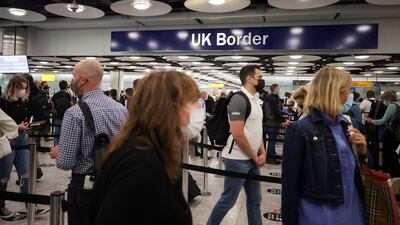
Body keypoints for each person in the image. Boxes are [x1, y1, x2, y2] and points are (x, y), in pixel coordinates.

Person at [90, 70, 199, 225]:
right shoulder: (141, 165)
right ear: (169, 108)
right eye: (191, 103)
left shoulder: (150, 150)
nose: (197, 109)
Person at [282, 67, 366, 225]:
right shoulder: (300, 129)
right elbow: (290, 185)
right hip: (318, 215)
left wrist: (363, 152)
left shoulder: (349, 126)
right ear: (338, 92)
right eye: (348, 90)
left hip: (354, 212)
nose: (349, 95)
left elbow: (360, 173)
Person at [49, 60, 127, 225]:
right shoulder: (121, 109)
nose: (72, 81)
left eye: (73, 76)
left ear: (83, 80)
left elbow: (65, 162)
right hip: (116, 181)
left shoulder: (74, 113)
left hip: (85, 186)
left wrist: (59, 152)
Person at [207, 65, 266, 225]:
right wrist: (255, 156)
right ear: (249, 78)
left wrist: (263, 152)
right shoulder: (239, 99)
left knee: (255, 200)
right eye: (259, 77)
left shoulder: (256, 101)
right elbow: (238, 134)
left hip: (252, 158)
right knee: (228, 201)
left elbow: (257, 129)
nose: (262, 80)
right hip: (237, 158)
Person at [0, 75, 48, 219]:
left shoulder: (25, 101)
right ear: (13, 87)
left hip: (21, 140)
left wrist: (28, 126)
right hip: (7, 140)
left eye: (25, 88)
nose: (23, 90)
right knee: (3, 176)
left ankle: (31, 204)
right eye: (21, 87)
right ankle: (1, 206)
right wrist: (17, 126)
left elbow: (27, 117)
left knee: (26, 174)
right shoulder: (3, 102)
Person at [366, 90, 400, 177]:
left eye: (384, 99)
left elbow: (382, 121)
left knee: (389, 155)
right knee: (395, 155)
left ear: (387, 98)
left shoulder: (392, 106)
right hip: (397, 134)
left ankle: (392, 175)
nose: (383, 102)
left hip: (390, 135)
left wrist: (371, 121)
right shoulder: (398, 105)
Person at [263, 84, 287, 164]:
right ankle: (270, 158)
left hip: (268, 121)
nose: (279, 90)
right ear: (275, 89)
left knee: (271, 140)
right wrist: (284, 120)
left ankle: (272, 154)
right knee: (272, 140)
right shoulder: (273, 99)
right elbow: (276, 112)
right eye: (278, 88)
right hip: (273, 121)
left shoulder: (268, 98)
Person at [51, 80, 73, 145]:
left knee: (57, 134)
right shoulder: (67, 95)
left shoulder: (55, 95)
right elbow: (71, 105)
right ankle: (64, 147)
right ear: (66, 86)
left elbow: (53, 107)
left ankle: (56, 147)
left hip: (58, 117)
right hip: (66, 117)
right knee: (66, 134)